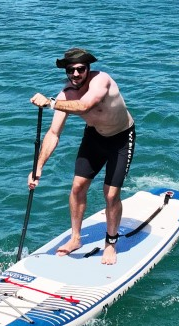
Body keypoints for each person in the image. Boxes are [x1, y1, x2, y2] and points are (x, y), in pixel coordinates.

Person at [28, 47, 136, 265]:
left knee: (111, 194)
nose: (76, 74)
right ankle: (75, 238)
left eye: (80, 69)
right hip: (95, 137)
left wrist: (50, 103)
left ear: (88, 68)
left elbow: (86, 105)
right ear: (66, 72)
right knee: (77, 187)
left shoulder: (101, 80)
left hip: (121, 139)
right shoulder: (65, 95)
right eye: (71, 70)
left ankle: (111, 243)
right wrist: (38, 167)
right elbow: (53, 133)